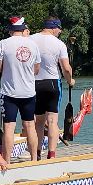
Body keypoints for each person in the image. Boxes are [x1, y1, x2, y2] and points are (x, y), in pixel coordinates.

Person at [0, 16, 41, 164]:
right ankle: (34, 159)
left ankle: (6, 162)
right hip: (28, 92)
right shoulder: (33, 45)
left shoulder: (3, 44)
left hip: (9, 93)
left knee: (9, 127)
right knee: (30, 126)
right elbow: (37, 70)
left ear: (10, 30)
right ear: (22, 29)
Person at [29, 17, 74, 159]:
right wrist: (70, 81)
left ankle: (36, 154)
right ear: (54, 27)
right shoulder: (59, 44)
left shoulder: (30, 39)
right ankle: (52, 154)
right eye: (59, 30)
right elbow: (66, 69)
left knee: (39, 122)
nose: (59, 33)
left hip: (33, 84)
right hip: (52, 83)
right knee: (53, 121)